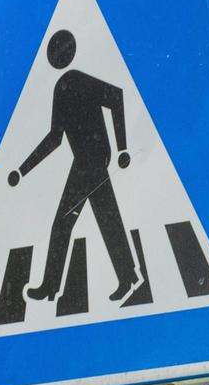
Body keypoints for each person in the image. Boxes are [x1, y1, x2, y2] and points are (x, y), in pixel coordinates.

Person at [8, 29, 138, 303]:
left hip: (94, 158)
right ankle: (125, 276)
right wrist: (22, 169)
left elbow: (115, 96)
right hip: (85, 161)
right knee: (102, 217)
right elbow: (54, 138)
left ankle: (55, 285)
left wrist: (123, 146)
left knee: (75, 220)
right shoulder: (62, 87)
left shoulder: (77, 80)